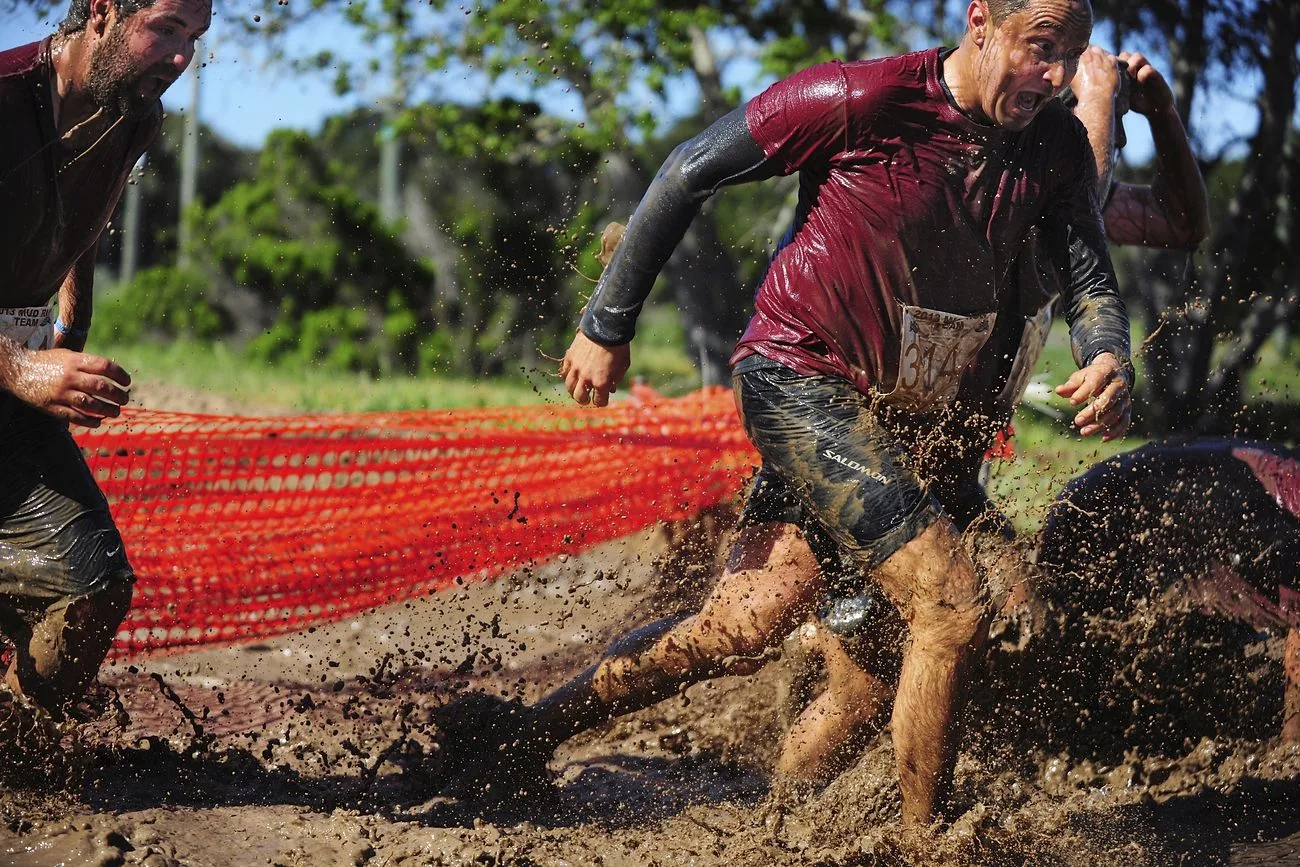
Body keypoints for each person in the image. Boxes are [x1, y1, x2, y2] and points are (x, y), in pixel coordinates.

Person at [438, 0, 1130, 827]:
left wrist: (1108, 353)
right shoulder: (867, 99)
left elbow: (1091, 280)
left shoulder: (1053, 148)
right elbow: (691, 166)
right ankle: (930, 845)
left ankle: (562, 747)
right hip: (803, 382)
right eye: (1040, 49)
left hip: (914, 428)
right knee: (950, 600)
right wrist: (605, 324)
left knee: (779, 638)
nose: (1055, 77)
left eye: (1073, 56)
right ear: (981, 20)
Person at [773, 44, 1212, 792]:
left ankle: (917, 785)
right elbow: (1089, 165)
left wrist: (1165, 115)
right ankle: (555, 723)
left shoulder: (1076, 204)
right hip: (862, 443)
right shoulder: (993, 179)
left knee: (1004, 611)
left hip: (946, 472)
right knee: (746, 634)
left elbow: (1179, 218)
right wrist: (1097, 86)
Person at [0, 0, 210, 726]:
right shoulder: (3, 99)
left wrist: (73, 318)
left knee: (92, 589)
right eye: (167, 29)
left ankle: (15, 737)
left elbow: (91, 205)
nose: (181, 57)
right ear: (101, 11)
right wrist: (21, 370)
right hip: (9, 372)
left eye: (195, 38)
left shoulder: (133, 116)